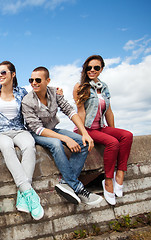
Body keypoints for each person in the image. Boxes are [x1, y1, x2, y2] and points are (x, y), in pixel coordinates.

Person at [21, 66, 103, 205]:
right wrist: (65, 138)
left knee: (82, 143)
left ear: (47, 80)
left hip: (53, 129)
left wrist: (85, 133)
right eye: (31, 80)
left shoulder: (55, 93)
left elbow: (70, 111)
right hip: (36, 133)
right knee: (56, 144)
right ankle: (78, 187)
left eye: (38, 80)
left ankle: (66, 183)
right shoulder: (27, 101)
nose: (33, 83)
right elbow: (37, 128)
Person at [0, 61, 43, 220]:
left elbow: (39, 100)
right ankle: (29, 193)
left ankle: (23, 195)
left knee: (29, 145)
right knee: (7, 147)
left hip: (19, 129)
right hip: (0, 133)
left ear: (13, 74)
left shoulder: (22, 92)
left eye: (3, 72)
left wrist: (56, 92)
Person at [73, 55, 133, 205]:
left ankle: (119, 174)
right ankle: (108, 181)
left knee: (127, 136)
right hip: (86, 129)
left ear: (101, 69)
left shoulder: (103, 87)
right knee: (112, 143)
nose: (92, 70)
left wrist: (114, 131)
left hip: (100, 127)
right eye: (89, 68)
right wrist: (84, 133)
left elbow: (109, 112)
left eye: (96, 68)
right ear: (85, 69)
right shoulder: (80, 87)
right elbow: (80, 112)